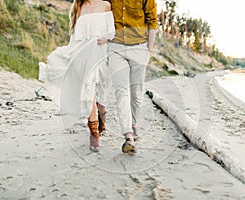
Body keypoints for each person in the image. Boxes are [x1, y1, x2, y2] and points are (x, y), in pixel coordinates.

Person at [38, 0, 115, 152]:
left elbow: (111, 33)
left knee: (101, 91)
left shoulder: (106, 5)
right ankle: (94, 134)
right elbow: (75, 38)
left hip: (102, 52)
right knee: (89, 90)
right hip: (82, 54)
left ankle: (102, 121)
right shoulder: (79, 7)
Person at [97, 0, 158, 155]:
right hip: (116, 47)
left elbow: (152, 22)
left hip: (139, 47)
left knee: (136, 92)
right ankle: (128, 136)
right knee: (121, 91)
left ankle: (134, 123)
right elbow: (102, 13)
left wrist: (149, 50)